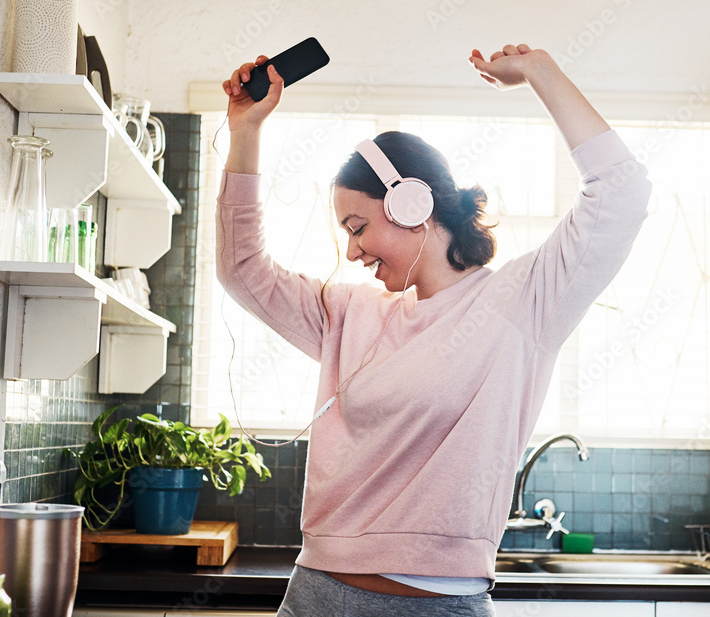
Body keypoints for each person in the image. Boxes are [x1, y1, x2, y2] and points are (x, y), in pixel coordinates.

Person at [217, 43, 652, 617]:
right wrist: (245, 131)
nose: (350, 251)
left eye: (357, 226)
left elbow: (621, 191)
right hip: (315, 595)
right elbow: (242, 268)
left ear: (410, 200)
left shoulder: (522, 302)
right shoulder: (350, 314)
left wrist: (539, 71)